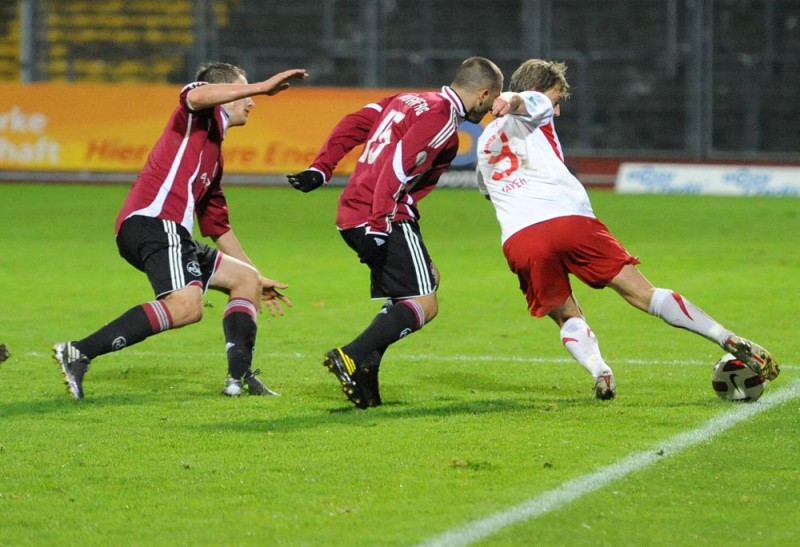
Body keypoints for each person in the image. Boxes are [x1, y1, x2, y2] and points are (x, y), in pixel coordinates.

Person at [475, 59, 779, 399]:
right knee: (643, 293)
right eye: (557, 99)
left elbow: (487, 190)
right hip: (569, 221)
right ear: (540, 91)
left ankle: (600, 370)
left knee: (566, 315)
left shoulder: (484, 141)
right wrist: (512, 99)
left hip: (520, 239)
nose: (557, 110)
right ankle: (725, 337)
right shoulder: (536, 104)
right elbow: (525, 100)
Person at [53, 62, 308, 399]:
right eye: (243, 91)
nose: (251, 102)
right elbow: (196, 95)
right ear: (225, 93)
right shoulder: (196, 114)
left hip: (170, 232)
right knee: (187, 307)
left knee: (245, 280)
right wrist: (261, 86)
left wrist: (258, 277)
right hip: (154, 222)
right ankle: (79, 351)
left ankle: (240, 379)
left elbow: (216, 225)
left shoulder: (214, 156)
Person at [288, 56, 504, 409]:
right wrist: (378, 224)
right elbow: (397, 168)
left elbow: (354, 123)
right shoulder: (442, 118)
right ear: (482, 94)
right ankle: (351, 355)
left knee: (419, 286)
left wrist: (322, 167)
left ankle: (366, 380)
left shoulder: (408, 100)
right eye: (492, 99)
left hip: (355, 212)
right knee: (424, 303)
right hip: (381, 214)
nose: (491, 108)